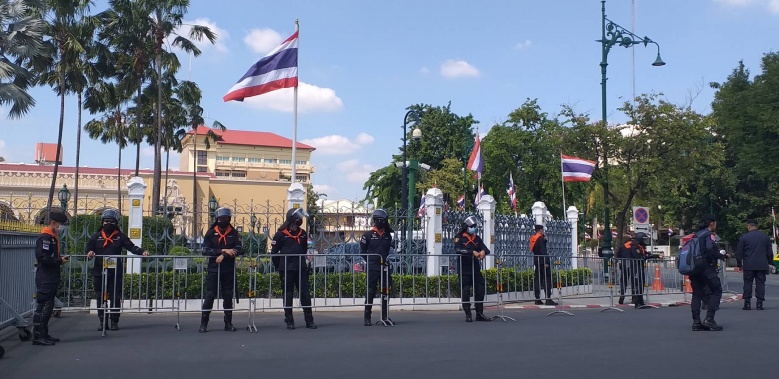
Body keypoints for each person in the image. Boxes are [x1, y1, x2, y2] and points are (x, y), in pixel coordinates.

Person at [86, 209, 149, 331]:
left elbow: (132, 247)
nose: (108, 223)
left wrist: (142, 252)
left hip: (115, 272)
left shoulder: (120, 237)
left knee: (115, 297)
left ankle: (114, 321)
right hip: (100, 271)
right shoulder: (96, 237)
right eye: (106, 221)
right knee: (100, 296)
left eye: (111, 221)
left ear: (115, 223)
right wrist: (90, 252)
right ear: (102, 222)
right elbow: (88, 248)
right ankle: (102, 321)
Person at [198, 207, 243, 333]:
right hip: (213, 269)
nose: (222, 220)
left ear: (228, 219)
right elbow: (205, 250)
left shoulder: (233, 233)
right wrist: (222, 251)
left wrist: (224, 255)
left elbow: (239, 249)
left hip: (228, 269)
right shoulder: (211, 232)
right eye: (220, 218)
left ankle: (228, 323)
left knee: (228, 296)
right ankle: (203, 324)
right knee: (210, 295)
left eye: (224, 218)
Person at [271, 207, 316, 330]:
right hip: (286, 268)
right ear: (292, 219)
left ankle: (309, 320)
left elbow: (304, 250)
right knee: (288, 294)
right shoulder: (280, 234)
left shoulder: (303, 234)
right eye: (298, 218)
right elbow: (274, 253)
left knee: (305, 294)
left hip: (301, 268)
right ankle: (289, 320)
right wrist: (279, 267)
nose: (300, 220)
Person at [32, 211, 69, 346]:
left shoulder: (52, 237)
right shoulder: (45, 237)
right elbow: (43, 257)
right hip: (45, 277)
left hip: (51, 276)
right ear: (53, 223)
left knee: (49, 305)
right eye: (60, 224)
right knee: (43, 306)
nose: (60, 227)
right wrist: (59, 261)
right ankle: (38, 336)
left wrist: (59, 259)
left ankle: (44, 333)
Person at [689, 214, 726, 331]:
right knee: (717, 290)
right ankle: (709, 319)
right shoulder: (708, 235)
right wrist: (721, 256)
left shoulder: (696, 236)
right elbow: (710, 250)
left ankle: (696, 322)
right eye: (715, 223)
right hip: (705, 267)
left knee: (696, 294)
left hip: (694, 268)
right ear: (712, 223)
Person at [453, 215, 491, 322]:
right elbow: (458, 250)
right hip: (464, 269)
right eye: (472, 226)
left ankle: (479, 313)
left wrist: (483, 251)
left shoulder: (476, 238)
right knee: (465, 291)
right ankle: (468, 314)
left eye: (475, 226)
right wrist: (471, 252)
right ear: (466, 227)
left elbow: (486, 249)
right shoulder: (459, 238)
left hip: (475, 268)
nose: (474, 228)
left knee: (480, 289)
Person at [360, 209, 394, 326]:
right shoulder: (367, 236)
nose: (382, 223)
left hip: (384, 267)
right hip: (373, 268)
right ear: (376, 221)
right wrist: (370, 262)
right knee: (370, 291)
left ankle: (384, 316)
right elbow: (363, 252)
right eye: (381, 221)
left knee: (386, 291)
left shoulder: (387, 236)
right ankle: (367, 317)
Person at [736, 218, 773, 311]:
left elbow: (739, 252)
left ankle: (747, 303)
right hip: (762, 265)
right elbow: (769, 252)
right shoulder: (765, 237)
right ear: (757, 226)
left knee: (748, 283)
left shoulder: (744, 237)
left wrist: (739, 264)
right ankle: (759, 304)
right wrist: (769, 261)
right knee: (760, 284)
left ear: (749, 226)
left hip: (749, 265)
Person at [616, 232, 651, 308]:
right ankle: (635, 298)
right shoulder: (635, 246)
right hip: (634, 265)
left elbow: (618, 254)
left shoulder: (625, 245)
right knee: (635, 282)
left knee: (624, 281)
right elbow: (639, 256)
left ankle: (622, 295)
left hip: (624, 265)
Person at [530, 225, 557, 306]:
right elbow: (543, 250)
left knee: (538, 279)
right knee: (547, 279)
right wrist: (546, 261)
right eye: (542, 230)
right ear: (540, 230)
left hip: (536, 260)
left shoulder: (533, 238)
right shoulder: (540, 238)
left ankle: (537, 298)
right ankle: (548, 298)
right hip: (543, 260)